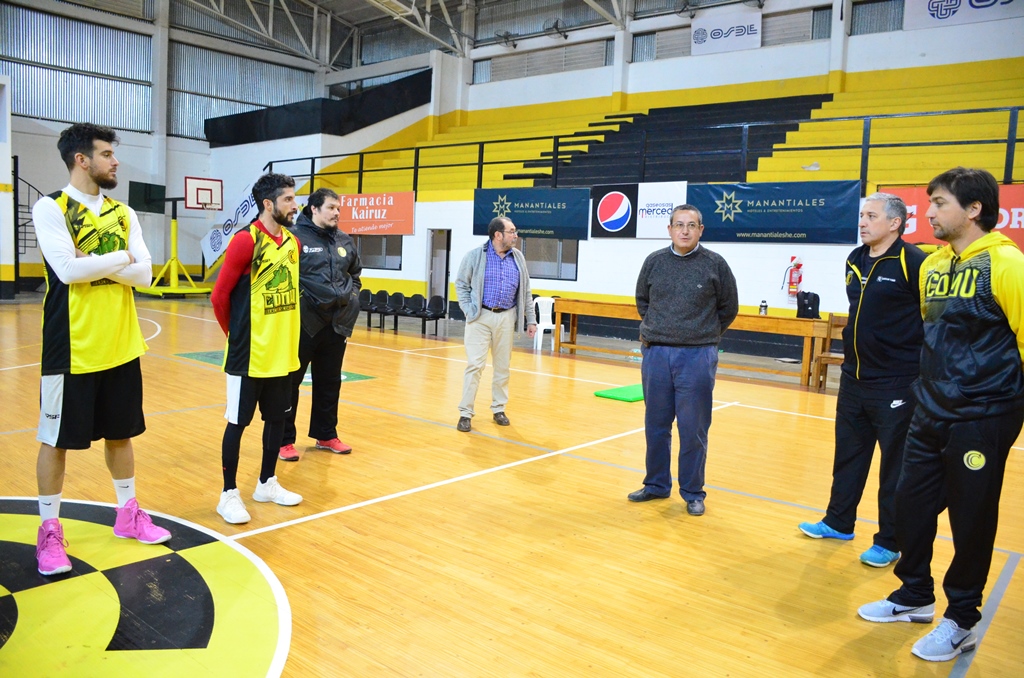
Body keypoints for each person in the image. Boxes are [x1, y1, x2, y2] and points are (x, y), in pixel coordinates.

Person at [858, 168, 1024, 662]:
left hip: (983, 414)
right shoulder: (932, 265)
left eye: (939, 203)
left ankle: (962, 619)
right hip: (929, 408)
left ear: (974, 209)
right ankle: (914, 594)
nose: (927, 212)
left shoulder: (1007, 264)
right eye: (929, 202)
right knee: (908, 504)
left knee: (971, 518)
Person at [32, 123, 170, 576]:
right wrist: (123, 259)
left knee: (121, 434)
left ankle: (128, 514)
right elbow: (67, 271)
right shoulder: (51, 207)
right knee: (55, 441)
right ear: (82, 159)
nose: (115, 161)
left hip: (121, 343)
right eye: (107, 154)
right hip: (71, 346)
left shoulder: (123, 213)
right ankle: (49, 530)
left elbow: (146, 274)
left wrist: (103, 262)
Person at [798, 194, 927, 567]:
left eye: (871, 216)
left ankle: (890, 540)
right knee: (849, 457)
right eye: (862, 215)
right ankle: (839, 522)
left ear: (895, 223)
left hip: (897, 383)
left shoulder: (914, 262)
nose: (863, 222)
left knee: (895, 468)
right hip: (854, 378)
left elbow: (931, 318)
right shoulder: (855, 259)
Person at [628, 204, 738, 516]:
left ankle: (692, 492)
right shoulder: (654, 262)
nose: (685, 231)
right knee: (656, 425)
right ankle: (656, 484)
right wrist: (660, 329)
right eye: (679, 225)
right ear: (670, 229)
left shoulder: (715, 264)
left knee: (693, 429)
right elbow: (643, 301)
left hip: (697, 355)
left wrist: (703, 334)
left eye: (691, 225)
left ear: (701, 230)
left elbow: (729, 307)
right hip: (656, 353)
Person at [211, 173, 304, 524]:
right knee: (237, 424)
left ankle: (267, 483)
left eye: (294, 199)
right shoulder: (245, 241)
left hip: (283, 352)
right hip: (249, 354)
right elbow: (219, 296)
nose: (295, 205)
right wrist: (235, 337)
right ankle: (228, 494)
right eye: (288, 199)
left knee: (277, 420)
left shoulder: (292, 243)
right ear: (268, 204)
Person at [279, 188, 362, 461]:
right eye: (331, 208)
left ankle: (326, 434)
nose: (337, 213)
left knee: (330, 382)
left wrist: (352, 298)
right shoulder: (293, 237)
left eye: (338, 208)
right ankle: (284, 440)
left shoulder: (345, 240)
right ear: (314, 209)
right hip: (304, 324)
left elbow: (355, 274)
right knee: (290, 384)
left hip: (336, 324)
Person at [455, 217, 537, 432]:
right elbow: (461, 284)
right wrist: (469, 309)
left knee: (502, 367)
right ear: (498, 235)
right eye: (511, 231)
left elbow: (526, 291)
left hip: (506, 317)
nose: (515, 235)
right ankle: (465, 413)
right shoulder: (474, 256)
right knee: (475, 365)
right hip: (480, 317)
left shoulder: (518, 258)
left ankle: (498, 409)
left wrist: (531, 319)